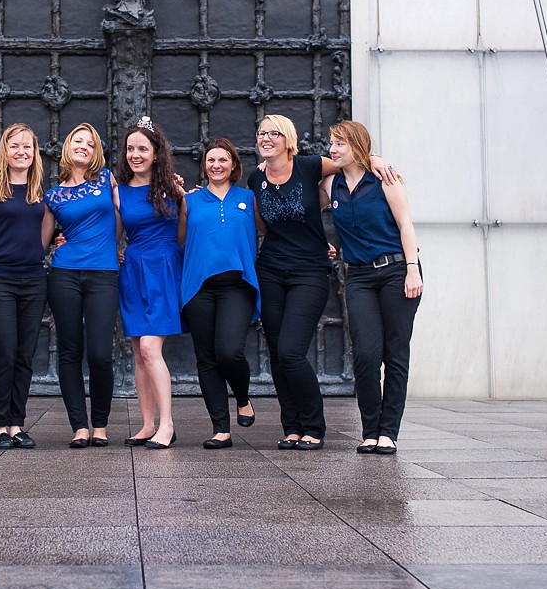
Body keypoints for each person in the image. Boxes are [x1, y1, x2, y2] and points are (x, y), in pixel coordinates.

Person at [248, 114, 394, 451]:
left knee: (291, 351)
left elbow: (350, 161)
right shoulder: (256, 178)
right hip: (270, 269)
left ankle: (314, 424)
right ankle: (292, 426)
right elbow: (261, 225)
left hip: (309, 271)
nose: (266, 138)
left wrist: (377, 159)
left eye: (273, 133)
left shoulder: (311, 166)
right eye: (261, 133)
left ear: (287, 139)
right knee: (276, 353)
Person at [323, 120, 422, 455]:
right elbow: (299, 175)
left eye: (340, 144)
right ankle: (370, 430)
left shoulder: (385, 180)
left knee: (395, 353)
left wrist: (412, 270)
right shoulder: (331, 183)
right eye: (331, 143)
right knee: (366, 355)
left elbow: (405, 223)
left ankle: (388, 432)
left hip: (397, 271)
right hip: (359, 276)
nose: (333, 149)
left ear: (357, 146)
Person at [41, 123, 121, 449]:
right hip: (64, 274)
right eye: (78, 141)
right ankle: (80, 426)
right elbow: (41, 241)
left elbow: (123, 215)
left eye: (90, 142)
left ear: (96, 151)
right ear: (67, 147)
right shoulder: (52, 195)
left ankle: (100, 424)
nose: (84, 146)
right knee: (70, 351)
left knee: (101, 353)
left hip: (104, 273)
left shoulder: (107, 179)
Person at [0, 123, 48, 450]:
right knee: (3, 351)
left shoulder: (40, 190)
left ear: (35, 152)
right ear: (5, 150)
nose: (21, 152)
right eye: (15, 146)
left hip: (33, 279)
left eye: (27, 147)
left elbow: (50, 227)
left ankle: (17, 424)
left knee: (23, 354)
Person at [179, 138, 259, 449]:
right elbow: (180, 239)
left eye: (223, 160)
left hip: (237, 285)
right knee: (207, 359)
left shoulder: (248, 198)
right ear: (204, 165)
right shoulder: (191, 201)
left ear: (233, 165)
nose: (216, 165)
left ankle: (242, 397)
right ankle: (220, 428)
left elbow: (273, 230)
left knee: (229, 352)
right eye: (211, 160)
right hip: (199, 287)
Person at [116, 116, 184, 450]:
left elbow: (189, 227)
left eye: (142, 148)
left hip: (164, 269)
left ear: (156, 152)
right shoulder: (118, 190)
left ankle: (167, 425)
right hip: (134, 271)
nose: (135, 154)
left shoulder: (172, 187)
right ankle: (147, 424)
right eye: (130, 148)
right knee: (138, 353)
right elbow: (112, 235)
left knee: (149, 347)